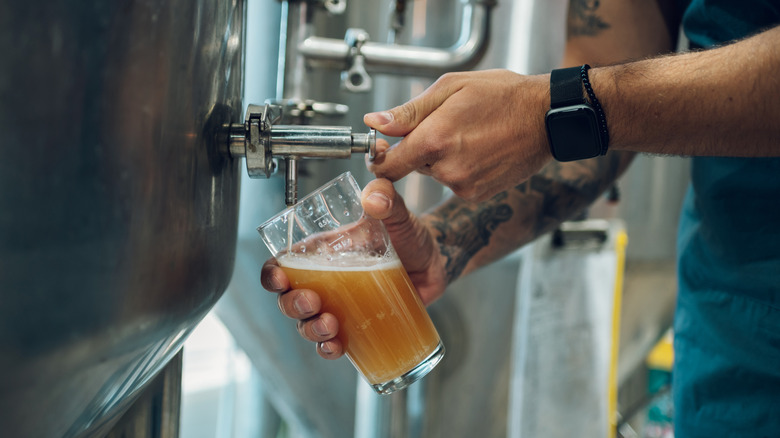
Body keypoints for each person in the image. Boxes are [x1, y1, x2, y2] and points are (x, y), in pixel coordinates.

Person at [262, 0, 780, 435]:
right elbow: (602, 93)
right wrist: (444, 241)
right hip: (731, 326)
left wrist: (546, 109)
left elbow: (583, 105)